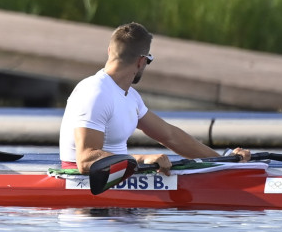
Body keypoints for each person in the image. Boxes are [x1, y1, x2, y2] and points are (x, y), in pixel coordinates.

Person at [60, 22, 251, 174]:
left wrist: (222, 160)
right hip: (84, 197)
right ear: (142, 61)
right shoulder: (95, 92)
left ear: (110, 51)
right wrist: (142, 159)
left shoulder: (131, 98)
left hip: (117, 181)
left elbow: (170, 136)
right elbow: (85, 160)